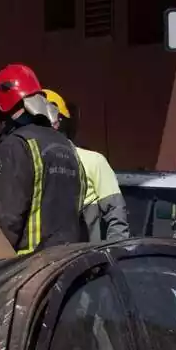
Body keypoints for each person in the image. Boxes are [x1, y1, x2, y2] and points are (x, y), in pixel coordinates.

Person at [0, 64, 84, 253]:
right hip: (66, 262)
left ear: (5, 102)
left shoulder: (16, 145)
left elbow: (5, 220)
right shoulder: (67, 146)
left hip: (28, 268)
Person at [43, 88, 130, 243]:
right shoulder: (30, 162)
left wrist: (112, 253)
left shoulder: (93, 161)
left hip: (84, 261)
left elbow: (116, 214)